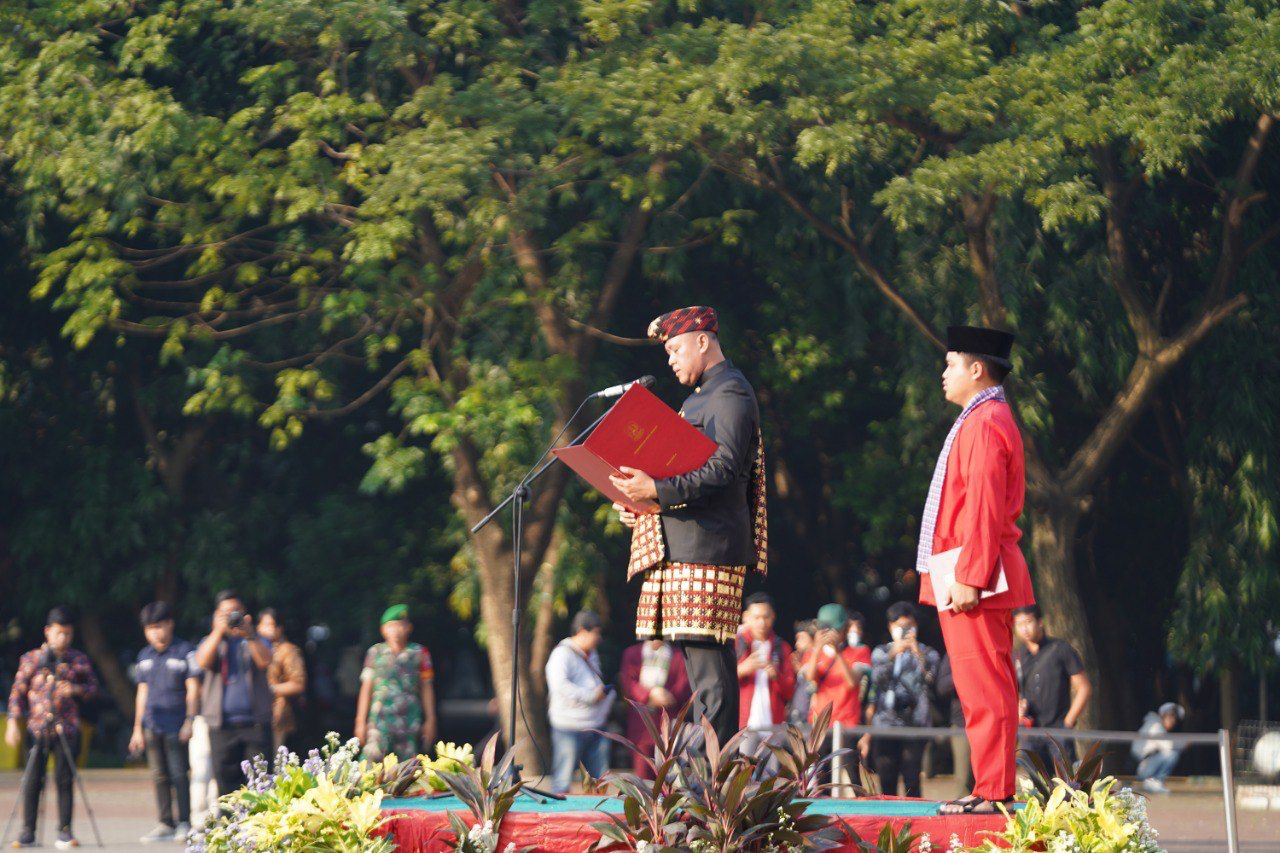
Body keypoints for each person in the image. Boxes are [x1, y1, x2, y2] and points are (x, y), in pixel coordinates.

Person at [610, 306, 767, 748]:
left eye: (675, 349)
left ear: (703, 340)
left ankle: (717, 781)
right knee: (701, 670)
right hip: (685, 547)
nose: (671, 360)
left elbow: (724, 468)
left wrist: (656, 491)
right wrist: (641, 503)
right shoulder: (699, 398)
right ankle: (708, 774)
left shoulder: (729, 392)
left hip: (709, 550)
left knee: (711, 670)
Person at [918, 326, 1036, 816]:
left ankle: (993, 792)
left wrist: (972, 575)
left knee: (985, 686)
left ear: (976, 369)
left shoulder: (985, 421)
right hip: (968, 569)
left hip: (975, 574)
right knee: (983, 685)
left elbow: (985, 507)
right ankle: (991, 788)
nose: (943, 374)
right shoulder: (980, 417)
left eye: (950, 365)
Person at [5, 606, 100, 849]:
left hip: (66, 727)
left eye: (68, 634)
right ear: (47, 632)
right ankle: (28, 831)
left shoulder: (77, 659)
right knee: (33, 779)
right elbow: (17, 693)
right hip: (37, 727)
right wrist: (13, 724)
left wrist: (76, 689)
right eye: (59, 633)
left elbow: (93, 689)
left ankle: (65, 831)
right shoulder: (32, 659)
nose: (63, 638)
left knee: (65, 779)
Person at [130, 602, 201, 844]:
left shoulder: (185, 652)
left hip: (177, 724)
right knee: (159, 775)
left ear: (170, 624)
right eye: (150, 629)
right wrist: (137, 728)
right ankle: (165, 822)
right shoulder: (144, 656)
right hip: (152, 724)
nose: (155, 633)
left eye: (159, 627)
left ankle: (184, 822)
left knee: (180, 774)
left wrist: (190, 721)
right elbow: (142, 693)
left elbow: (193, 689)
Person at [194, 590, 274, 796]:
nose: (232, 617)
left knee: (261, 785)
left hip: (255, 724)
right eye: (226, 613)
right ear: (216, 615)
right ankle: (229, 827)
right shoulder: (212, 641)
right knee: (226, 786)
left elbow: (265, 661)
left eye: (235, 612)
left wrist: (249, 634)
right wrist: (217, 632)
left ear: (245, 614)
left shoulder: (256, 639)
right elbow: (202, 661)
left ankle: (259, 827)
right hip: (221, 726)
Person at [862, 603, 940, 798]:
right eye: (900, 626)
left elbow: (932, 681)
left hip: (915, 723)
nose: (905, 631)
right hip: (885, 723)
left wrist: (918, 654)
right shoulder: (880, 652)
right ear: (890, 627)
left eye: (909, 626)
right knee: (886, 777)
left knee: (912, 778)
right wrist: (892, 655)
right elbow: (877, 679)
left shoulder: (928, 653)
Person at [1013, 605, 1092, 771]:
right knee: (1036, 786)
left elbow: (1084, 688)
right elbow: (1014, 692)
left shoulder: (1061, 649)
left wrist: (1068, 723)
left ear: (1040, 622)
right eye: (1019, 624)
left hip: (1058, 729)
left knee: (1067, 786)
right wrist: (1018, 707)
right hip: (1030, 732)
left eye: (1028, 622)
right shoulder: (1017, 656)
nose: (1024, 628)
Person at [800, 604, 872, 787]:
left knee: (852, 776)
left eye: (834, 629)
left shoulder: (859, 652)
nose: (829, 633)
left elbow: (852, 682)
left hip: (848, 722)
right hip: (821, 723)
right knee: (822, 777)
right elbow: (810, 679)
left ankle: (860, 813)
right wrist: (817, 648)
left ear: (845, 629)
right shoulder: (811, 654)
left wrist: (838, 653)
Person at [354, 605, 437, 762]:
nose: (396, 630)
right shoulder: (375, 653)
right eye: (391, 626)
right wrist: (360, 721)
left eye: (401, 625)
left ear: (409, 628)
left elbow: (427, 687)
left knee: (408, 771)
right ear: (383, 630)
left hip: (409, 722)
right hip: (380, 721)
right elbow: (366, 688)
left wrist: (431, 720)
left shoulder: (420, 653)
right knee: (368, 766)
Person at [545, 611, 614, 794]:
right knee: (562, 781)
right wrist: (590, 696)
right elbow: (559, 686)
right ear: (582, 631)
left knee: (599, 782)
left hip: (596, 725)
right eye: (596, 633)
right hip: (568, 726)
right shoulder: (561, 654)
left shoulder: (592, 654)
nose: (598, 638)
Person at [735, 593, 796, 766]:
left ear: (773, 617)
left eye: (766, 617)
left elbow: (790, 691)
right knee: (743, 775)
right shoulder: (736, 644)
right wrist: (742, 670)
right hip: (744, 725)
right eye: (756, 617)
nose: (762, 622)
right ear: (746, 617)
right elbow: (720, 683)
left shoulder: (781, 648)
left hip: (772, 726)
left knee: (771, 779)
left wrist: (776, 676)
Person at [618, 638, 691, 779]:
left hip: (668, 721)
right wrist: (650, 695)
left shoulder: (678, 655)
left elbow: (684, 684)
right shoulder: (633, 653)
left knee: (668, 773)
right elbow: (628, 682)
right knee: (643, 772)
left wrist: (667, 696)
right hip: (641, 723)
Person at [257, 609, 307, 754]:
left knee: (274, 761)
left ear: (279, 628)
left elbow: (298, 684)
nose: (268, 629)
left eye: (271, 625)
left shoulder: (287, 651)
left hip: (277, 716)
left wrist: (269, 689)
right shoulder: (252, 648)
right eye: (264, 625)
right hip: (255, 717)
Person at [935, 655, 974, 797]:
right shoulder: (953, 652)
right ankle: (963, 816)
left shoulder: (986, 648)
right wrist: (962, 673)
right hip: (961, 724)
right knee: (964, 781)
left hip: (988, 723)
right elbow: (941, 688)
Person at [1132, 703, 1185, 794]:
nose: (1172, 721)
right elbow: (1168, 748)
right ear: (1163, 716)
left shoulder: (1154, 724)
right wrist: (1184, 744)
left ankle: (1153, 782)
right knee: (1172, 755)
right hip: (1144, 768)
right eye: (1170, 717)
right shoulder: (1155, 725)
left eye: (1174, 719)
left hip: (1144, 766)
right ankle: (1155, 782)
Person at [788, 620, 817, 727]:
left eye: (802, 638)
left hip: (808, 715)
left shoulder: (817, 656)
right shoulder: (804, 657)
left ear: (814, 638)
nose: (797, 643)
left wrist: (800, 669)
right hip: (798, 713)